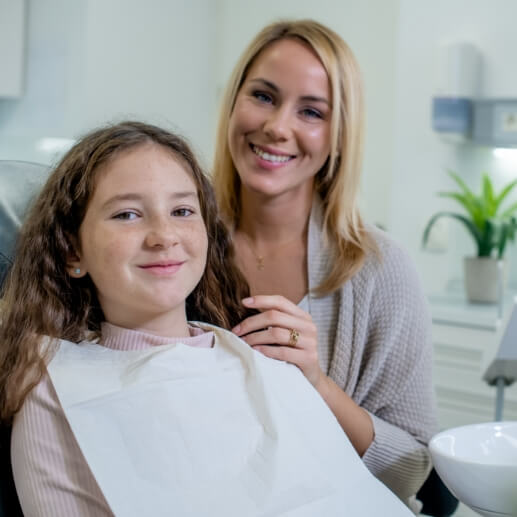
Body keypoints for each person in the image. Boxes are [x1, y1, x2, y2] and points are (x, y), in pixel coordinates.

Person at [0, 121, 413, 517]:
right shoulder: (53, 385)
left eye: (182, 210)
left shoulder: (264, 360)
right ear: (73, 252)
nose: (164, 235)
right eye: (127, 214)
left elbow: (362, 491)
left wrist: (317, 383)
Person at [212, 19, 437, 509]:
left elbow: (411, 470)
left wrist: (316, 383)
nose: (277, 126)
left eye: (311, 111)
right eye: (264, 97)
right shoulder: (180, 243)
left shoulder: (381, 270)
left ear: (338, 137)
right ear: (233, 104)